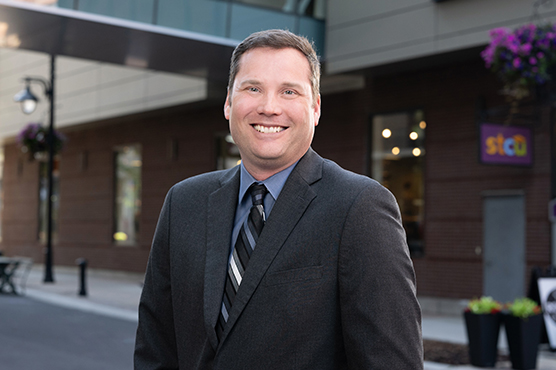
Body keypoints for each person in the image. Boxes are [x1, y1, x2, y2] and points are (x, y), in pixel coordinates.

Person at [134, 29, 423, 369]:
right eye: (253, 88)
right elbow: (156, 347)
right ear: (229, 102)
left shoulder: (360, 207)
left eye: (289, 91)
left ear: (315, 108)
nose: (269, 107)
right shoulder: (183, 203)